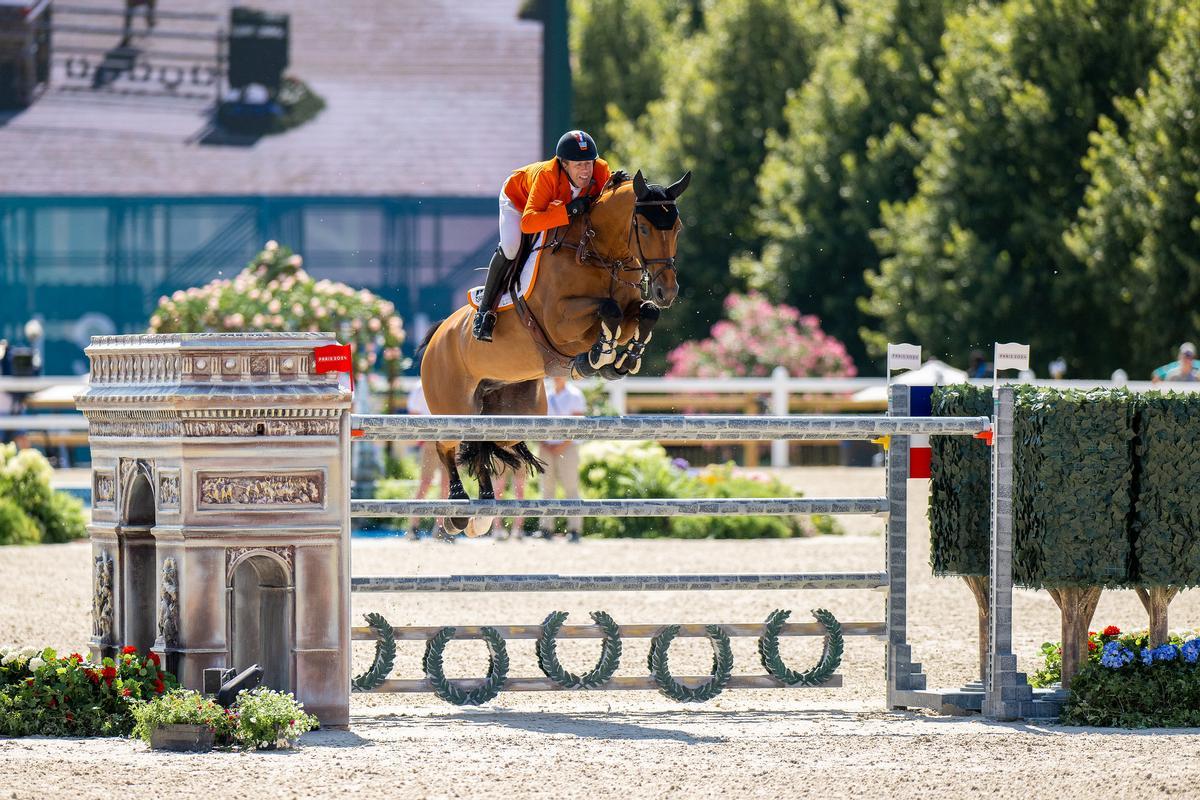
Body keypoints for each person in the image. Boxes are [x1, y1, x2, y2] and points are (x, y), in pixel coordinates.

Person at [472, 130, 626, 342]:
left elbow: (608, 203)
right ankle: (484, 312)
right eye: (578, 165)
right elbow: (528, 223)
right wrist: (569, 210)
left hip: (552, 207)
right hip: (518, 201)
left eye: (588, 163)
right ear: (564, 164)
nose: (586, 170)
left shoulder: (600, 170)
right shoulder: (547, 176)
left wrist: (619, 186)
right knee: (511, 247)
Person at [538, 376, 587, 542]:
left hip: (568, 447)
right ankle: (546, 527)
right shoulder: (546, 393)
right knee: (546, 487)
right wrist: (543, 441)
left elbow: (577, 425)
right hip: (546, 445)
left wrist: (561, 445)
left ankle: (574, 528)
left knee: (571, 487)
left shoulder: (575, 395)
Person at [405, 380, 449, 540]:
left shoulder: (441, 382)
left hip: (447, 436)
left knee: (447, 484)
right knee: (426, 482)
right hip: (432, 436)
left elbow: (413, 412)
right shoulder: (420, 386)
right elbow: (413, 413)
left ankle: (440, 526)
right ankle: (413, 525)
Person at [489, 466, 527, 541]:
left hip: (518, 455)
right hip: (499, 455)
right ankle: (497, 528)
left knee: (520, 492)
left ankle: (518, 529)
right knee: (497, 491)